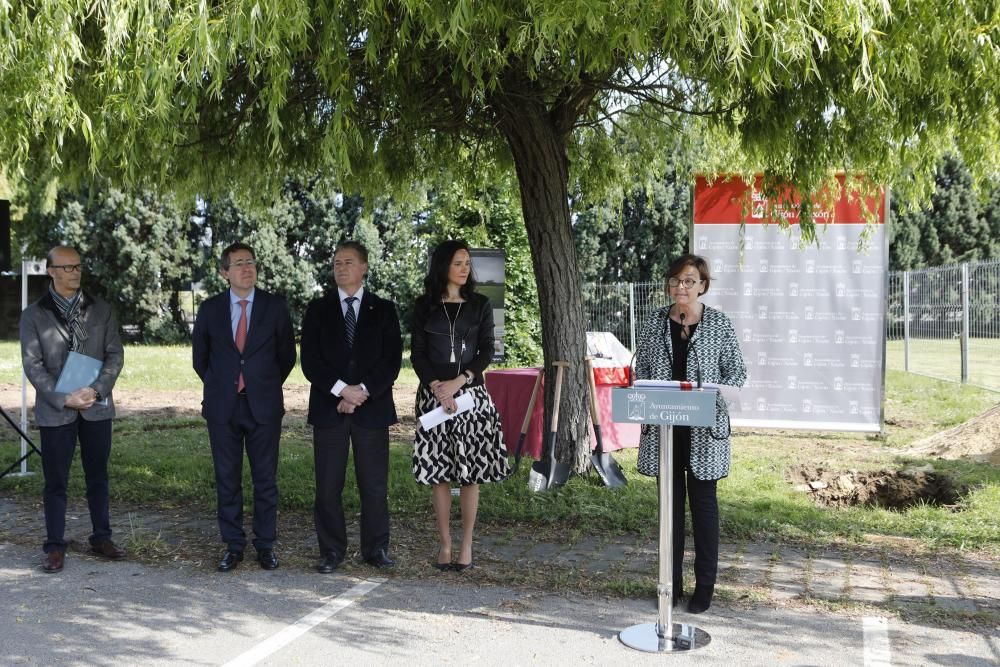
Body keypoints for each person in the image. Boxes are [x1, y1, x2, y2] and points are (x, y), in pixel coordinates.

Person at [634, 253, 747, 613]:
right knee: (669, 510)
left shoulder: (718, 324)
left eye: (689, 281)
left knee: (703, 508)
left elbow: (737, 374)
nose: (681, 287)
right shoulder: (654, 322)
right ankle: (670, 584)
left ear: (703, 286)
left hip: (704, 430)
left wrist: (710, 390)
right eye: (675, 281)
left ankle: (705, 587)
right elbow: (643, 370)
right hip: (665, 431)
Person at [20, 245, 126, 573]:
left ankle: (101, 537)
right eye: (67, 268)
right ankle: (54, 546)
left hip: (95, 405)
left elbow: (114, 355)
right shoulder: (34, 315)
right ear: (51, 272)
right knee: (56, 481)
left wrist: (95, 389)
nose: (75, 272)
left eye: (78, 266)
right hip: (57, 409)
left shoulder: (101, 310)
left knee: (98, 476)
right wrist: (63, 397)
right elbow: (33, 364)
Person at [192, 242, 296, 572]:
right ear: (225, 273)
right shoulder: (209, 309)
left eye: (250, 262)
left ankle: (265, 545)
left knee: (265, 479)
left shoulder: (275, 307)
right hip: (223, 407)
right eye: (238, 264)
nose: (246, 268)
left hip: (263, 405)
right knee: (227, 478)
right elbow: (200, 359)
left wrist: (259, 383)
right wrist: (225, 383)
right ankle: (233, 545)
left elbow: (286, 357)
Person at [301, 241, 402, 572]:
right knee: (328, 485)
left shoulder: (384, 309)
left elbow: (391, 361)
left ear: (364, 267)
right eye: (336, 263)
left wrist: (362, 393)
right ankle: (331, 550)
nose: (340, 268)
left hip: (371, 410)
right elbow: (311, 362)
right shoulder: (317, 309)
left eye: (348, 262)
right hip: (330, 410)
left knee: (373, 485)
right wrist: (342, 391)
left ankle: (376, 549)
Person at [411, 240, 510, 571]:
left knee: (470, 473)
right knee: (439, 472)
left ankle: (466, 544)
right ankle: (445, 544)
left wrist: (461, 380)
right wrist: (438, 388)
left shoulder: (480, 304)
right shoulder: (424, 305)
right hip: (433, 396)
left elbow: (485, 350)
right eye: (458, 263)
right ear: (443, 267)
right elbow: (418, 353)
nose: (466, 268)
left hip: (471, 397)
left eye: (468, 262)